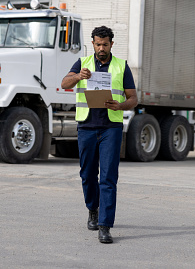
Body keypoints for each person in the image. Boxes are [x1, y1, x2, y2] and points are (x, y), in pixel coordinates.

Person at [61, 25, 138, 243]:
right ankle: (92, 210)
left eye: (105, 44)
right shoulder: (82, 63)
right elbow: (64, 83)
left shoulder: (121, 66)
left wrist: (120, 105)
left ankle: (105, 225)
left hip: (110, 128)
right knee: (87, 174)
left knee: (108, 177)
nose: (101, 48)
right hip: (86, 126)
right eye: (98, 44)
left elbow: (133, 99)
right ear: (93, 43)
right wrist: (77, 76)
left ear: (111, 44)